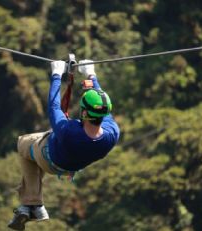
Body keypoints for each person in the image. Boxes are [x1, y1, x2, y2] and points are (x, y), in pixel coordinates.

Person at [7, 60, 120, 230]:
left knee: (23, 143)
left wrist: (56, 75)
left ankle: (32, 203)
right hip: (70, 166)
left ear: (83, 112)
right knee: (38, 145)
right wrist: (91, 75)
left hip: (48, 156)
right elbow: (103, 106)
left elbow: (54, 107)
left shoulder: (69, 131)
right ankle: (32, 206)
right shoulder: (112, 133)